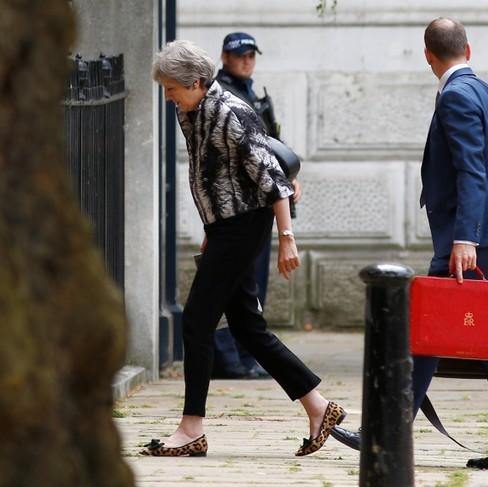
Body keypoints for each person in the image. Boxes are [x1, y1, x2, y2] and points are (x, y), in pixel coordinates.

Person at [330, 17, 488, 470]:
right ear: (469, 49)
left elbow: (474, 172)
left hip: (474, 238)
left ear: (428, 55)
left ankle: (390, 430)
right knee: (440, 336)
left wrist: (465, 238)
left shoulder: (456, 97)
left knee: (452, 336)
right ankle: (396, 427)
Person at [143, 40, 345, 457]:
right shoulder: (192, 112)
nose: (167, 96)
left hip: (245, 227)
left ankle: (191, 429)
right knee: (248, 329)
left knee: (197, 321)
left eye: (171, 88)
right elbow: (213, 178)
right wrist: (210, 230)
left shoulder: (233, 113)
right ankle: (318, 407)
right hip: (225, 228)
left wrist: (286, 239)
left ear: (196, 82)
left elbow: (273, 179)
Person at [211, 32, 302, 380]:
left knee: (253, 285)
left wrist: (291, 175)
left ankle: (247, 357)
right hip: (239, 202)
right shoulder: (221, 94)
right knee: (234, 282)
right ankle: (229, 359)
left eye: (251, 55)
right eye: (240, 55)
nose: (247, 60)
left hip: (261, 197)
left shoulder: (253, 95)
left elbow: (273, 145)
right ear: (225, 57)